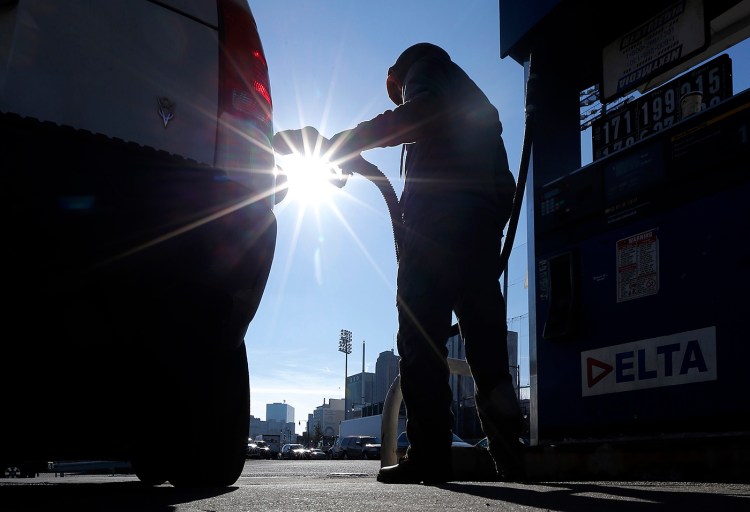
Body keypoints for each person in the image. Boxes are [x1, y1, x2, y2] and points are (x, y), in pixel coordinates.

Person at [276, 42, 524, 484]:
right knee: (488, 353)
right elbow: (498, 183)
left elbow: (420, 114)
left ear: (398, 77)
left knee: (420, 343)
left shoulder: (423, 69)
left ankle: (430, 455)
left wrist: (343, 142)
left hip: (435, 232)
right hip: (479, 233)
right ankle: (513, 459)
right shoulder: (475, 104)